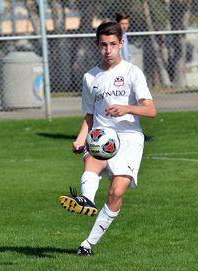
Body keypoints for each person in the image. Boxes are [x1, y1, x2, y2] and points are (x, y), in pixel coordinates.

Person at [59, 21, 157, 256]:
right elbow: (90, 115)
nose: (108, 50)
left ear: (121, 44)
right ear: (97, 45)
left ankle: (88, 244)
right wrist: (80, 138)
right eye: (103, 45)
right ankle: (86, 200)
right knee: (91, 159)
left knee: (116, 192)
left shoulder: (133, 72)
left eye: (113, 44)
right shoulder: (90, 77)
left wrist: (127, 108)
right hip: (101, 134)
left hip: (130, 137)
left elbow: (151, 110)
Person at [116, 12, 155, 142]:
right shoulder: (115, 39)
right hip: (120, 77)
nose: (124, 26)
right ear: (117, 24)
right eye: (122, 24)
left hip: (128, 74)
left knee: (134, 104)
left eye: (126, 23)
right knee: (124, 104)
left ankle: (136, 132)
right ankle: (121, 132)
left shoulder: (125, 36)